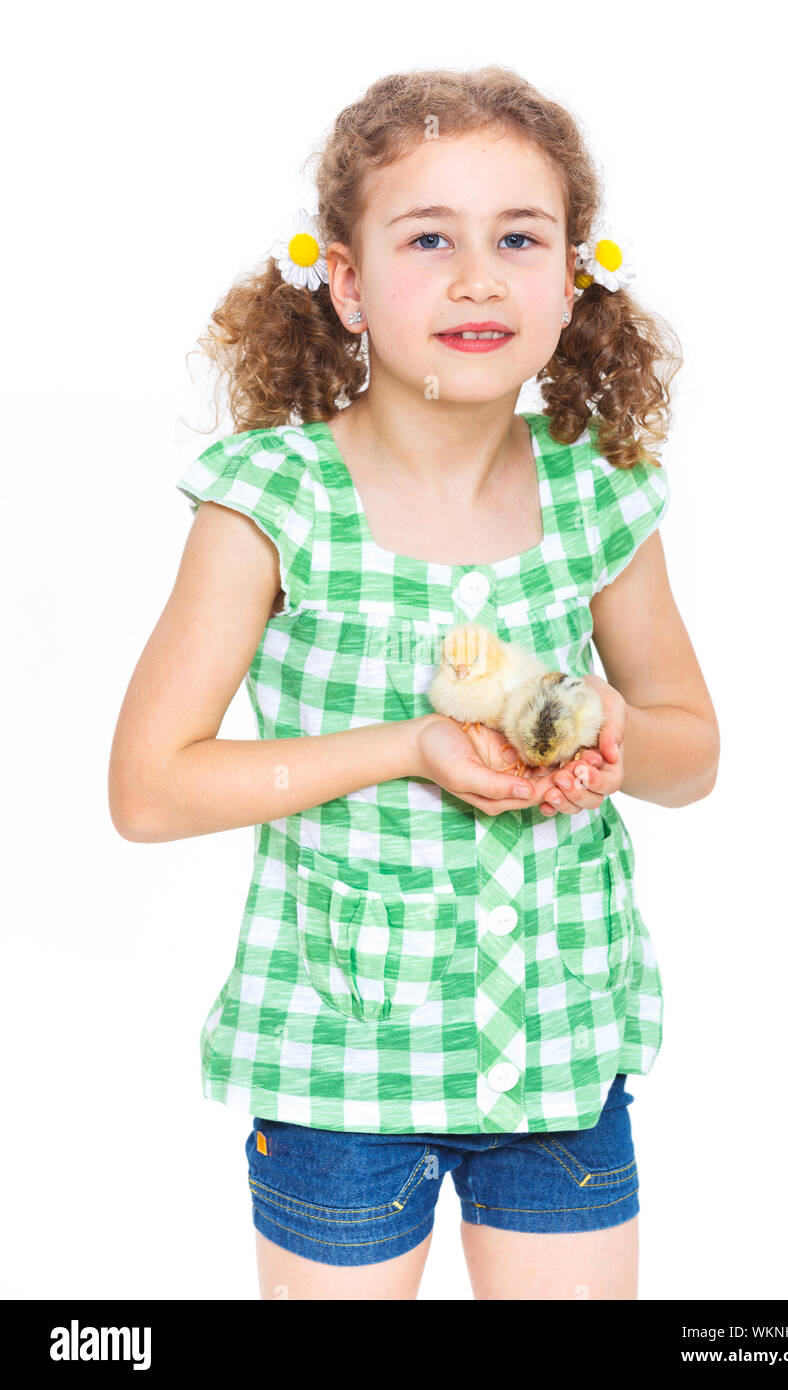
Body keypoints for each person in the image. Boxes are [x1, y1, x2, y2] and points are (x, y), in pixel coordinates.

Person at [108, 65, 720, 1301]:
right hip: (339, 1065)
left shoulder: (598, 494)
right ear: (343, 280)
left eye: (517, 238)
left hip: (559, 1051)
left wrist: (607, 723)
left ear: (569, 279)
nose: (477, 275)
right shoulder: (269, 502)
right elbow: (149, 788)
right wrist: (407, 747)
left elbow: (691, 751)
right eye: (427, 237)